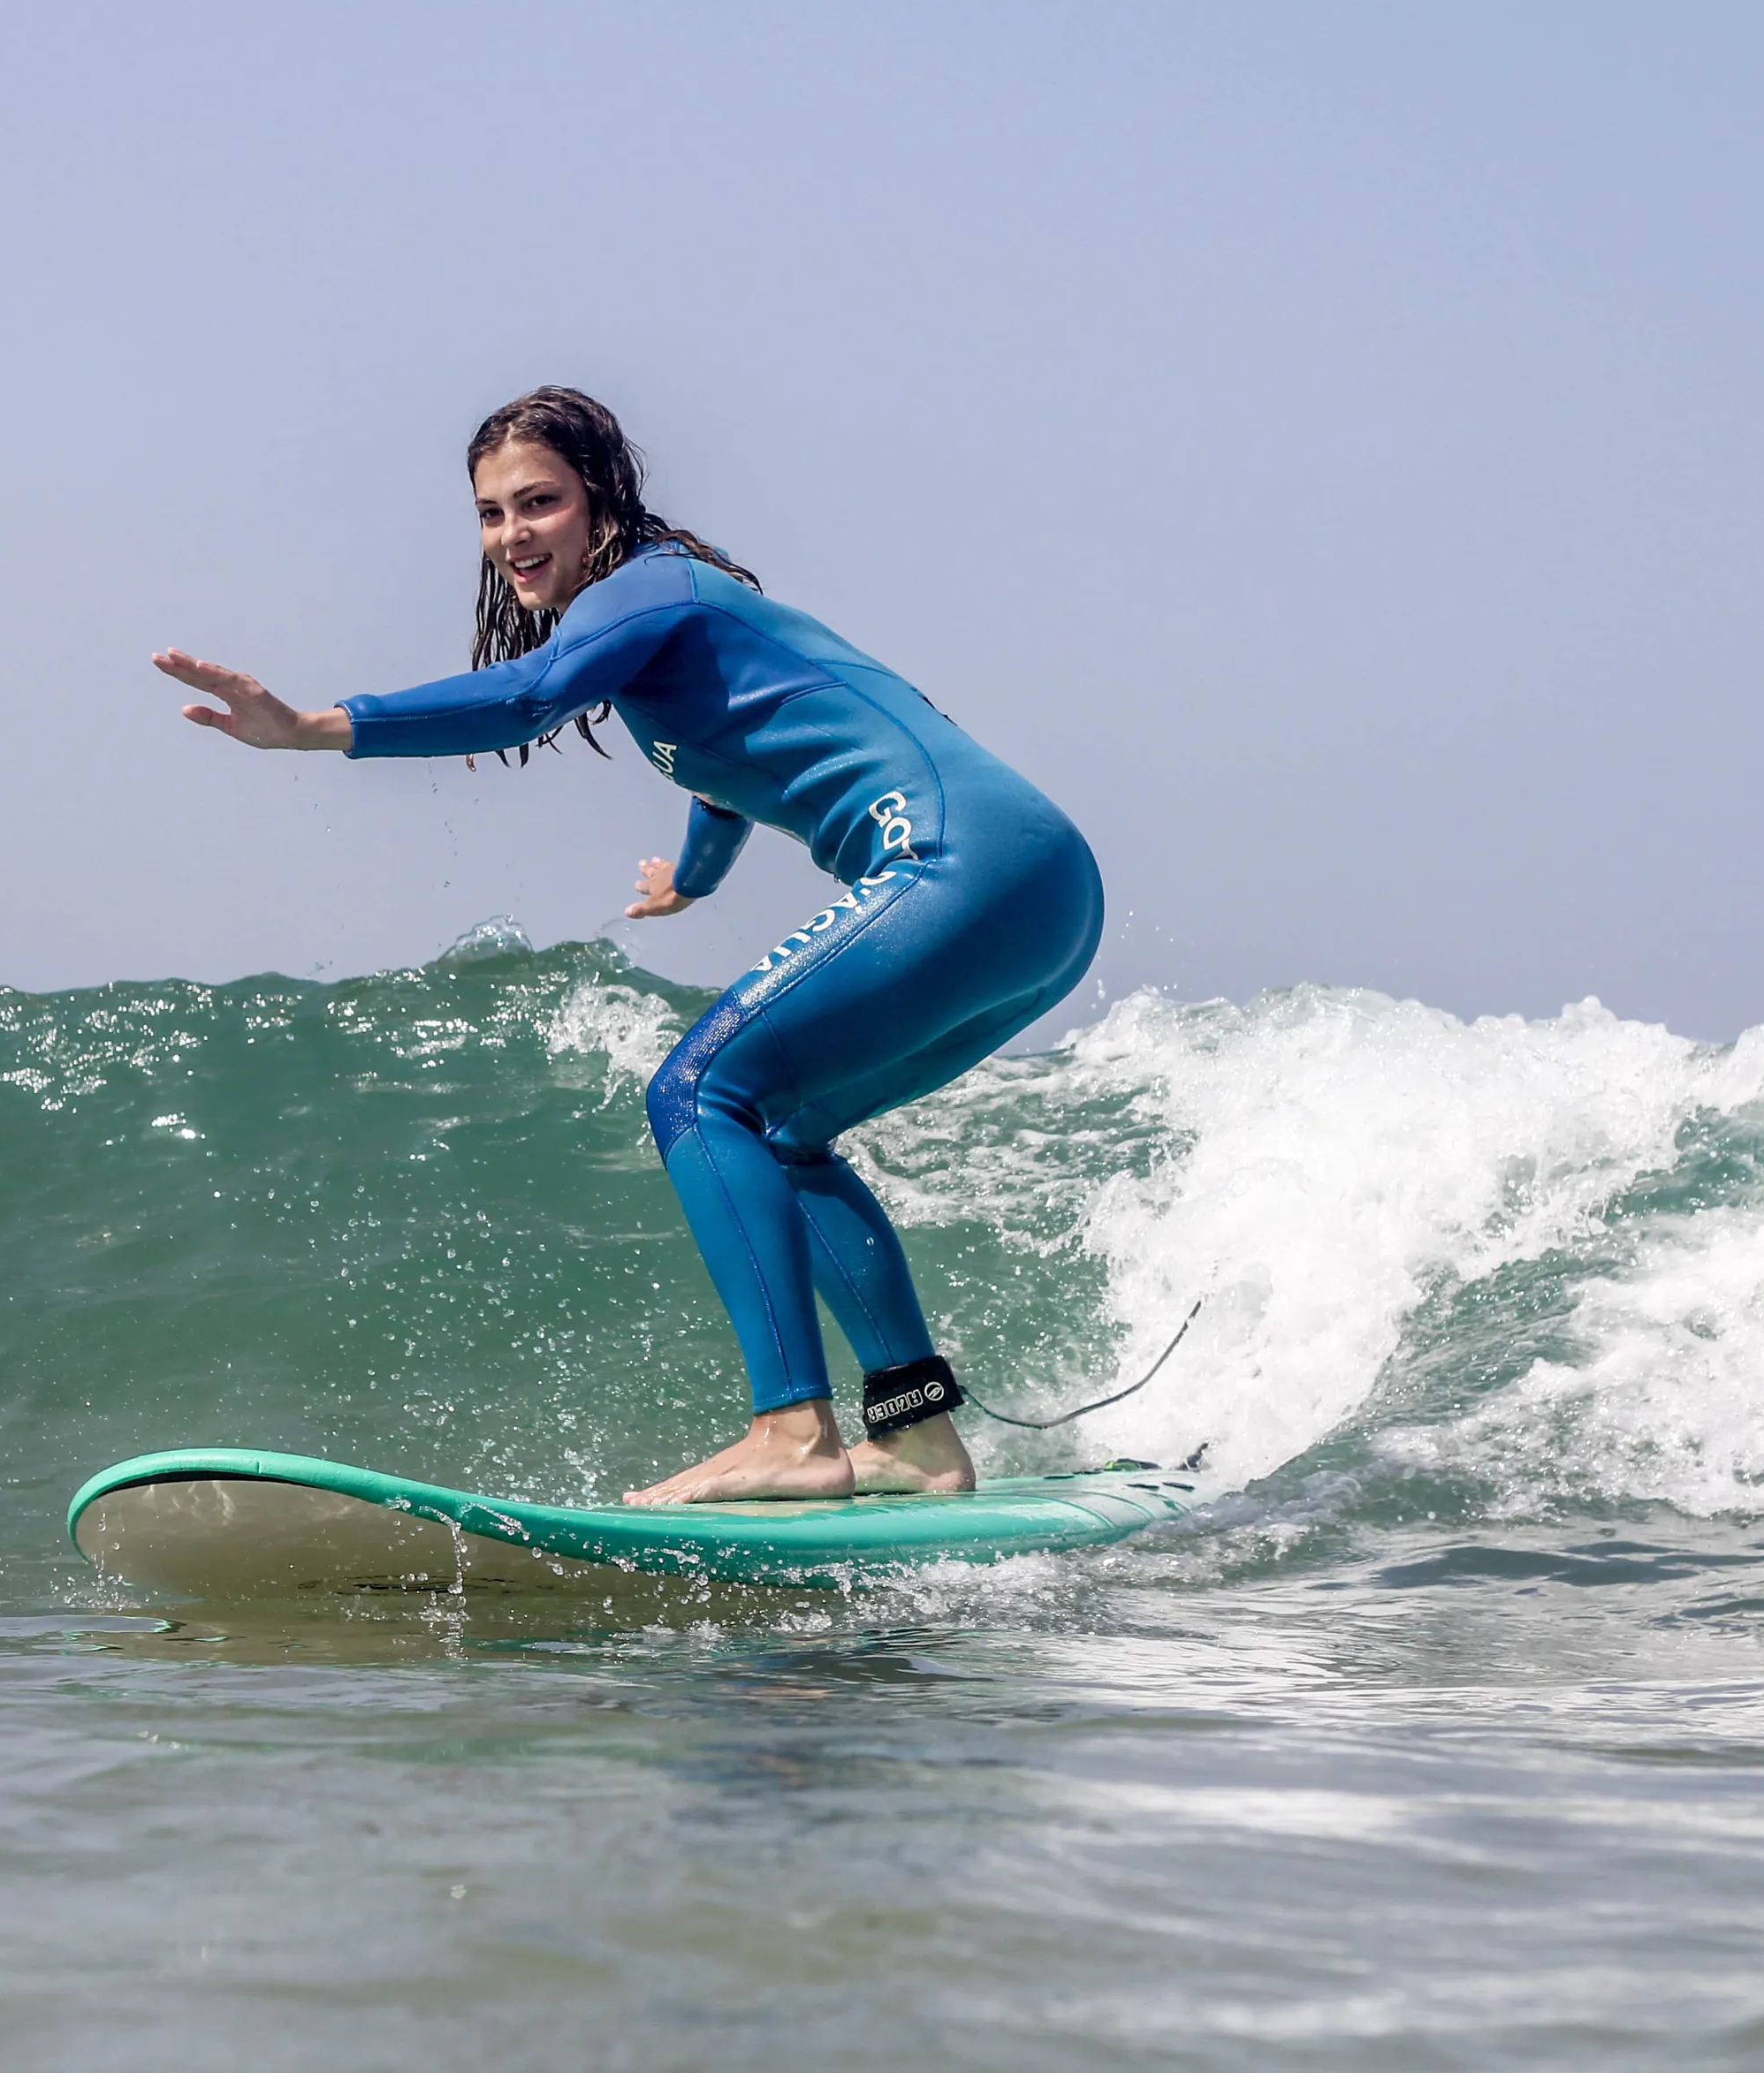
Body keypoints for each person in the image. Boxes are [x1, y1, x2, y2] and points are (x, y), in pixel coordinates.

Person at [154, 387, 1102, 1506]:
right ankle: (916, 1434)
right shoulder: (677, 620)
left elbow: (529, 695)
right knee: (788, 1130)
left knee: (698, 1093)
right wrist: (690, 883)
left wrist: (315, 727)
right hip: (1040, 890)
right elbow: (733, 766)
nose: (511, 535)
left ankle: (792, 1434)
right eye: (491, 513)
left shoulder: (647, 586)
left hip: (954, 861)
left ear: (600, 499)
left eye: (539, 502)